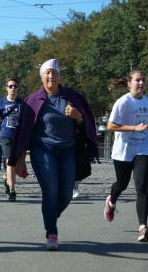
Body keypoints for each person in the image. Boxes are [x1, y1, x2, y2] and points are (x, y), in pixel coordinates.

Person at [8, 59, 97, 250]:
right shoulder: (32, 100)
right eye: (47, 73)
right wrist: (19, 159)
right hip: (43, 149)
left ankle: (49, 215)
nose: (51, 76)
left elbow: (87, 123)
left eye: (54, 73)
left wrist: (78, 116)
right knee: (50, 190)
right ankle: (51, 233)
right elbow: (24, 131)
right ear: (42, 76)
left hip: (68, 149)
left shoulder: (72, 96)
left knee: (65, 194)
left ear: (59, 76)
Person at [104, 70, 148, 242]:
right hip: (123, 151)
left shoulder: (147, 101)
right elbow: (110, 126)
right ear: (129, 83)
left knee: (142, 185)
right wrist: (133, 128)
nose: (141, 83)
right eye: (138, 80)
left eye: (143, 80)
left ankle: (143, 226)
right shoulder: (123, 102)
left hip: (143, 149)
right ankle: (111, 200)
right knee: (121, 183)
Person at [0, 78, 23, 201]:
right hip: (5, 135)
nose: (13, 88)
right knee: (10, 162)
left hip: (18, 137)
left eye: (15, 86)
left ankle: (6, 179)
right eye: (10, 86)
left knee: (14, 165)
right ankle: (12, 190)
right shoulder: (1, 103)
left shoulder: (22, 103)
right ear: (6, 88)